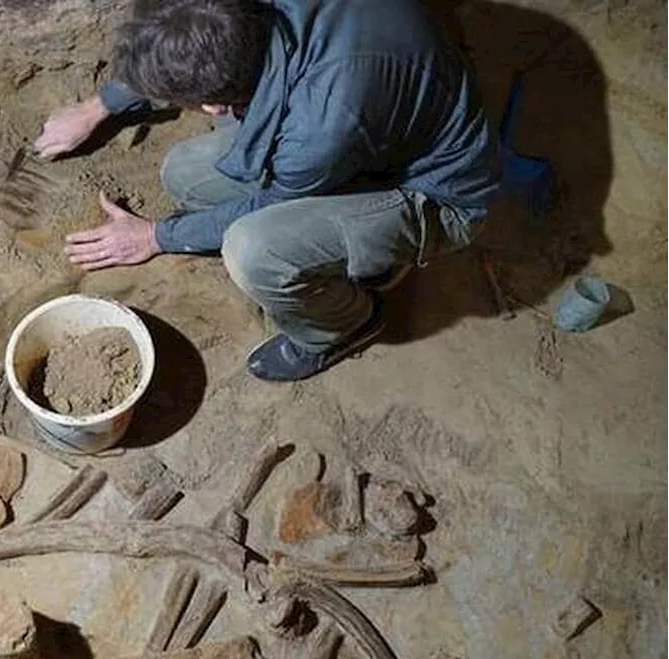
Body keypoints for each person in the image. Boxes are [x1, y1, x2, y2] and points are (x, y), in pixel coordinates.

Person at [33, 0, 499, 382]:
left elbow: (273, 202)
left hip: (437, 194)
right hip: (383, 109)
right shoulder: (245, 17)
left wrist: (154, 237)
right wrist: (98, 107)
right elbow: (178, 30)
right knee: (185, 174)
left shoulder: (318, 129)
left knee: (254, 249)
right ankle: (349, 247)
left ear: (214, 103)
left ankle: (344, 326)